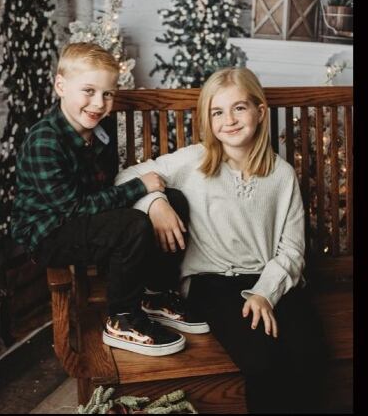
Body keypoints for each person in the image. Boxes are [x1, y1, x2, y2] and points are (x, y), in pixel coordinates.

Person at [115, 67, 327, 412]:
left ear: (260, 112)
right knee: (263, 362)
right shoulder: (194, 162)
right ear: (207, 118)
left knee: (310, 352)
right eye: (217, 111)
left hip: (271, 279)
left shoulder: (281, 174)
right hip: (213, 282)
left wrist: (264, 293)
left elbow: (291, 248)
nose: (228, 119)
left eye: (239, 108)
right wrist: (155, 203)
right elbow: (127, 176)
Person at [11, 42, 206, 357]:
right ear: (60, 85)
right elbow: (72, 208)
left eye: (107, 94)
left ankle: (154, 294)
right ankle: (122, 319)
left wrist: (156, 197)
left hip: (87, 216)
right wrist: (139, 189)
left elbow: (107, 187)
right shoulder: (45, 140)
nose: (98, 103)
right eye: (88, 90)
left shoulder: (99, 129)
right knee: (133, 225)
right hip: (49, 232)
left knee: (174, 200)